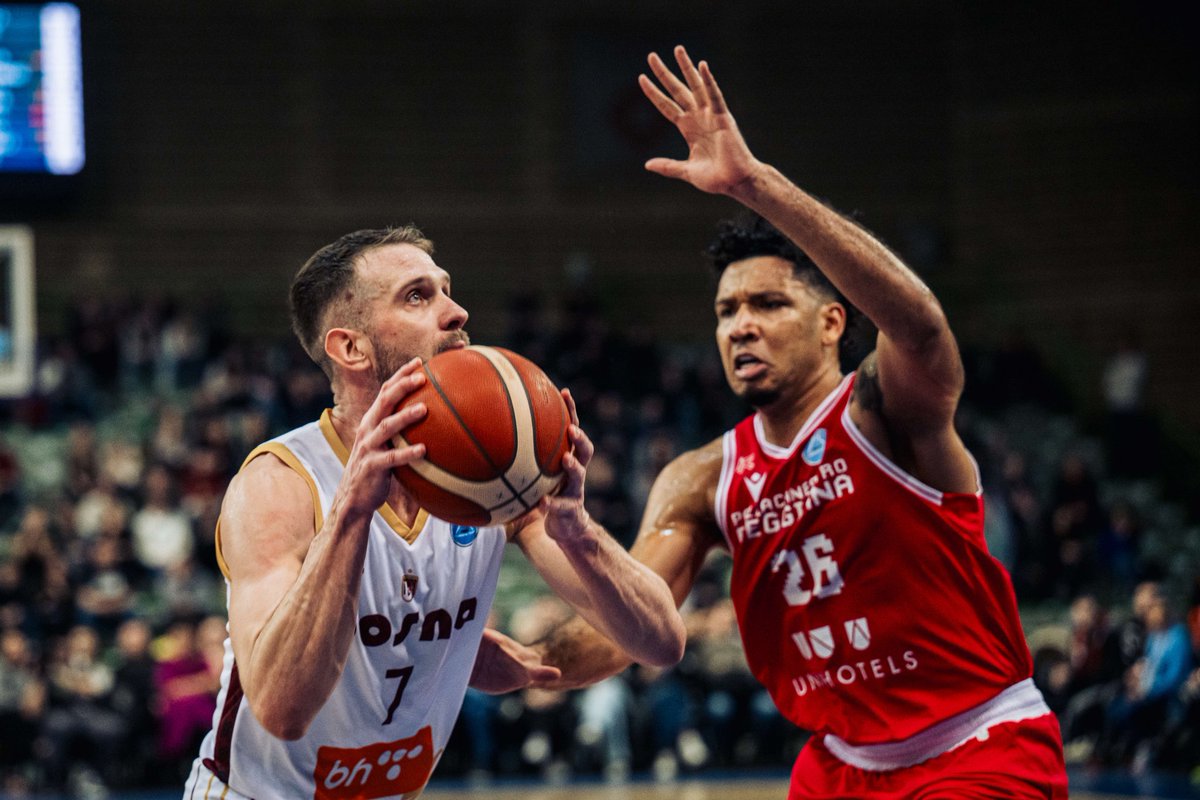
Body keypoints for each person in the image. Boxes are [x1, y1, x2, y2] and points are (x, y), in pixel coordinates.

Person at [529, 46, 1068, 798]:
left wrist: (755, 185)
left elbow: (920, 327)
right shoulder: (700, 479)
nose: (740, 326)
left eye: (767, 304)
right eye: (726, 311)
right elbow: (630, 629)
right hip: (838, 764)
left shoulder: (884, 411)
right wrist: (515, 663)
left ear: (831, 323)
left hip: (977, 744)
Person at [182, 226, 686, 799]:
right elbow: (281, 710)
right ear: (351, 348)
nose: (457, 312)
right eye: (418, 296)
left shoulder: (495, 474)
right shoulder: (280, 483)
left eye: (447, 290)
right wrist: (350, 515)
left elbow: (660, 642)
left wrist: (578, 534)